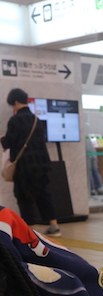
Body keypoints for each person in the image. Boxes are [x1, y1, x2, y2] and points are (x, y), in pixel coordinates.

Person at [0, 88, 61, 237]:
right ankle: (54, 226)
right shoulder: (36, 119)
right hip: (42, 163)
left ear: (15, 102)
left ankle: (30, 229)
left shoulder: (15, 120)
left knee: (24, 195)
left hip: (25, 165)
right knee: (43, 194)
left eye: (12, 105)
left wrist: (2, 138)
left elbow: (9, 142)